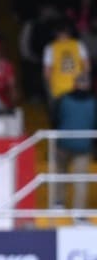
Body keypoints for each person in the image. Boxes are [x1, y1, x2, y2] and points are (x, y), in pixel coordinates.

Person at [53, 72, 96, 212]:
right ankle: (78, 212)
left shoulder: (63, 99)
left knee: (62, 175)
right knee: (79, 180)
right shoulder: (93, 102)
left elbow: (54, 120)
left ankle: (59, 204)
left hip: (66, 144)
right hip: (80, 146)